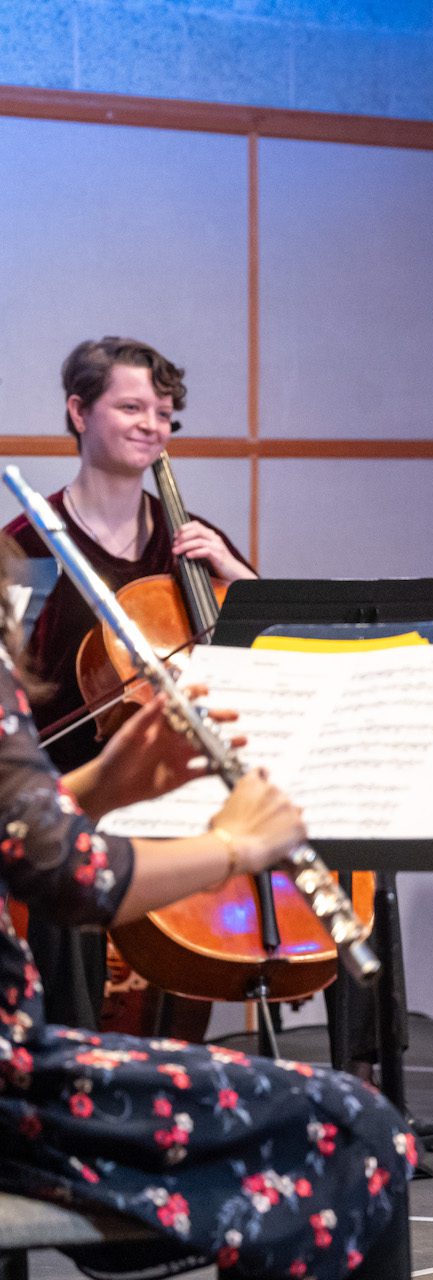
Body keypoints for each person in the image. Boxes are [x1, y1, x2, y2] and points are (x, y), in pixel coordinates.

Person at [0, 539, 414, 1280]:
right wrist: (233, 846)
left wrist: (99, 787)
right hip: (14, 1089)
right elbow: (74, 879)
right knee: (354, 1127)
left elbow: (22, 840)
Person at [4, 338, 255, 1034]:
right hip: (78, 788)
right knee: (62, 861)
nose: (153, 425)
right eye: (133, 407)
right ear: (79, 411)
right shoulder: (27, 545)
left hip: (181, 786)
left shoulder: (192, 542)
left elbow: (270, 653)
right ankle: (71, 1053)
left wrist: (236, 575)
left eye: (165, 413)